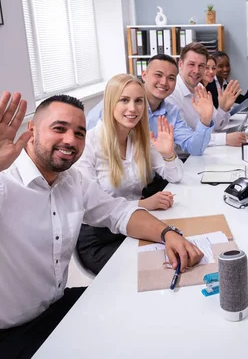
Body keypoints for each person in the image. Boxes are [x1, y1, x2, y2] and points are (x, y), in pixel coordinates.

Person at [0, 92, 203, 358]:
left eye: (79, 133)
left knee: (143, 317)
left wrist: (168, 233)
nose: (70, 140)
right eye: (59, 128)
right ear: (31, 130)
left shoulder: (71, 181)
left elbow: (119, 212)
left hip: (52, 309)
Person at [74, 74, 184, 274]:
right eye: (124, 100)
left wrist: (168, 154)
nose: (133, 109)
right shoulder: (89, 143)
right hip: (100, 237)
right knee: (156, 271)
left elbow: (175, 176)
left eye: (138, 101)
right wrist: (143, 204)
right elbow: (92, 207)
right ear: (110, 103)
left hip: (135, 226)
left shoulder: (138, 139)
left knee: (177, 258)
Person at [85, 54, 213, 157]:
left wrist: (205, 119)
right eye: (158, 75)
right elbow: (89, 151)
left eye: (171, 78)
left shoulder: (172, 112)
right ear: (144, 75)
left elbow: (195, 149)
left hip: (157, 178)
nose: (164, 82)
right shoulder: (114, 105)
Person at [166, 43, 247, 147]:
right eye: (191, 64)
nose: (196, 71)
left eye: (201, 66)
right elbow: (187, 138)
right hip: (185, 158)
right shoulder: (172, 94)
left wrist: (223, 108)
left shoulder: (199, 87)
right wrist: (225, 139)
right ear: (180, 64)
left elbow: (215, 125)